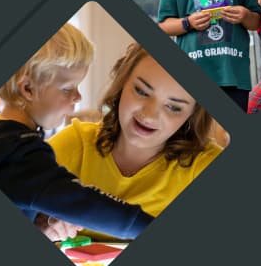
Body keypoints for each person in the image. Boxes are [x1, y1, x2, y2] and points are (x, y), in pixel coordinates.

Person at [0, 24, 154, 242]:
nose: (77, 97)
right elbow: (85, 203)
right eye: (68, 88)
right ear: (28, 89)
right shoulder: (21, 154)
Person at [48, 43, 222, 240]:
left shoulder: (204, 165)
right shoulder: (74, 143)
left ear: (192, 115)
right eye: (141, 91)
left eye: (174, 107)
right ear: (122, 85)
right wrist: (40, 225)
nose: (149, 115)